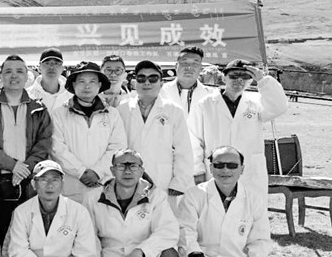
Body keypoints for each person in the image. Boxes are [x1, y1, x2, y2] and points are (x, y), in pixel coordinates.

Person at [178, 146, 279, 257]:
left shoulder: (253, 199)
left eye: (232, 165)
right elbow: (185, 228)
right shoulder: (194, 195)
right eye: (219, 165)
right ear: (211, 168)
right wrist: (195, 253)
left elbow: (259, 240)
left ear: (242, 169)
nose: (225, 170)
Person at [0, 54, 53, 242]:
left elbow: (44, 142)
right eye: (8, 71)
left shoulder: (38, 108)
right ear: (1, 76)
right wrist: (13, 166)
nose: (14, 76)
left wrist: (24, 168)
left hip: (29, 183)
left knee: (28, 238)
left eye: (19, 71)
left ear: (27, 76)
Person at [188, 59, 288, 199]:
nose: (239, 80)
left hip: (249, 170)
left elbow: (279, 107)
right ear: (224, 78)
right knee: (216, 207)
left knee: (250, 207)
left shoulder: (256, 102)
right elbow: (193, 138)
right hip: (217, 168)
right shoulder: (205, 104)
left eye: (245, 77)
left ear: (250, 80)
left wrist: (263, 80)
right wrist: (197, 170)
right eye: (234, 76)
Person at [117, 60, 193, 213]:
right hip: (128, 177)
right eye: (141, 78)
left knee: (162, 221)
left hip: (162, 179)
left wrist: (179, 182)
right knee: (131, 220)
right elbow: (116, 146)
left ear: (161, 83)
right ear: (134, 82)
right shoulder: (122, 109)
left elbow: (183, 149)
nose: (147, 82)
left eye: (152, 78)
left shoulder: (173, 110)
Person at [52, 61, 127, 204]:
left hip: (103, 183)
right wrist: (80, 172)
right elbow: (57, 148)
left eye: (92, 81)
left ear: (99, 85)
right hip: (70, 185)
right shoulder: (59, 114)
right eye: (81, 81)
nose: (87, 86)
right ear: (74, 85)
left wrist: (98, 172)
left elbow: (118, 147)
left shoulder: (112, 114)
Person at [160, 46, 213, 116]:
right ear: (176, 66)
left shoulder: (212, 95)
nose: (189, 67)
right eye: (185, 63)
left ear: (200, 68)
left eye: (195, 64)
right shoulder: (160, 92)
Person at [27, 48, 71, 113]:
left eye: (56, 63)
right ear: (39, 68)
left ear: (62, 68)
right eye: (47, 63)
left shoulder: (71, 96)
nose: (51, 67)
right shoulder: (27, 95)